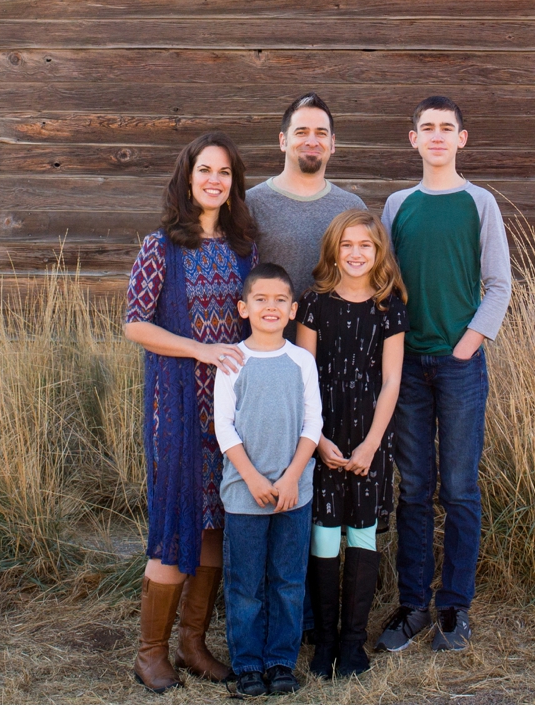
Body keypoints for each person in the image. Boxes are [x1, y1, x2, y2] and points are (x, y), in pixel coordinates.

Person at [121, 132, 259, 691]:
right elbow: (135, 323)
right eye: (205, 170)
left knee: (216, 526)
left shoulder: (244, 248)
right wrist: (200, 349)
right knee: (177, 519)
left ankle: (193, 643)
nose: (214, 180)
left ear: (233, 184)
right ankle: (150, 652)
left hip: (230, 409)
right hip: (177, 406)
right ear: (188, 177)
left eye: (224, 173)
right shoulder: (161, 246)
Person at [376, 96, 512, 655]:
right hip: (405, 366)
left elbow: (499, 284)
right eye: (426, 128)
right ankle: (412, 605)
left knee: (458, 488)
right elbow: (382, 279)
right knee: (413, 489)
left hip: (459, 367)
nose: (436, 136)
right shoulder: (397, 204)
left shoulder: (479, 204)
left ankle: (454, 606)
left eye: (446, 128)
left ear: (462, 138)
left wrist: (468, 345)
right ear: (413, 139)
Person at [294, 208, 406, 680]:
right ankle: (324, 641)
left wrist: (371, 445)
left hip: (368, 437)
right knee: (323, 534)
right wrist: (316, 439)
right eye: (347, 245)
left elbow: (393, 381)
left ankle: (353, 644)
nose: (356, 253)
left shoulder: (390, 306)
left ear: (378, 251)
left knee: (360, 532)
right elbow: (302, 376)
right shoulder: (314, 303)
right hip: (322, 433)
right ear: (333, 252)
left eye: (366, 245)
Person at [214, 263, 323, 699]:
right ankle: (247, 665)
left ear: (293, 309)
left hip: (293, 494)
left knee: (288, 580)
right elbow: (224, 428)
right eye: (261, 299)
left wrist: (293, 476)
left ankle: (281, 661)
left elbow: (312, 424)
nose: (271, 307)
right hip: (245, 493)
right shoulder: (233, 361)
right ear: (243, 307)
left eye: (280, 300)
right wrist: (254, 478)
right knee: (244, 585)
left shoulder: (301, 360)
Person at [247, 92, 365, 289]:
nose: (312, 142)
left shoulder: (352, 208)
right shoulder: (252, 203)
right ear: (283, 141)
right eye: (301, 132)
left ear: (332, 143)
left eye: (321, 133)